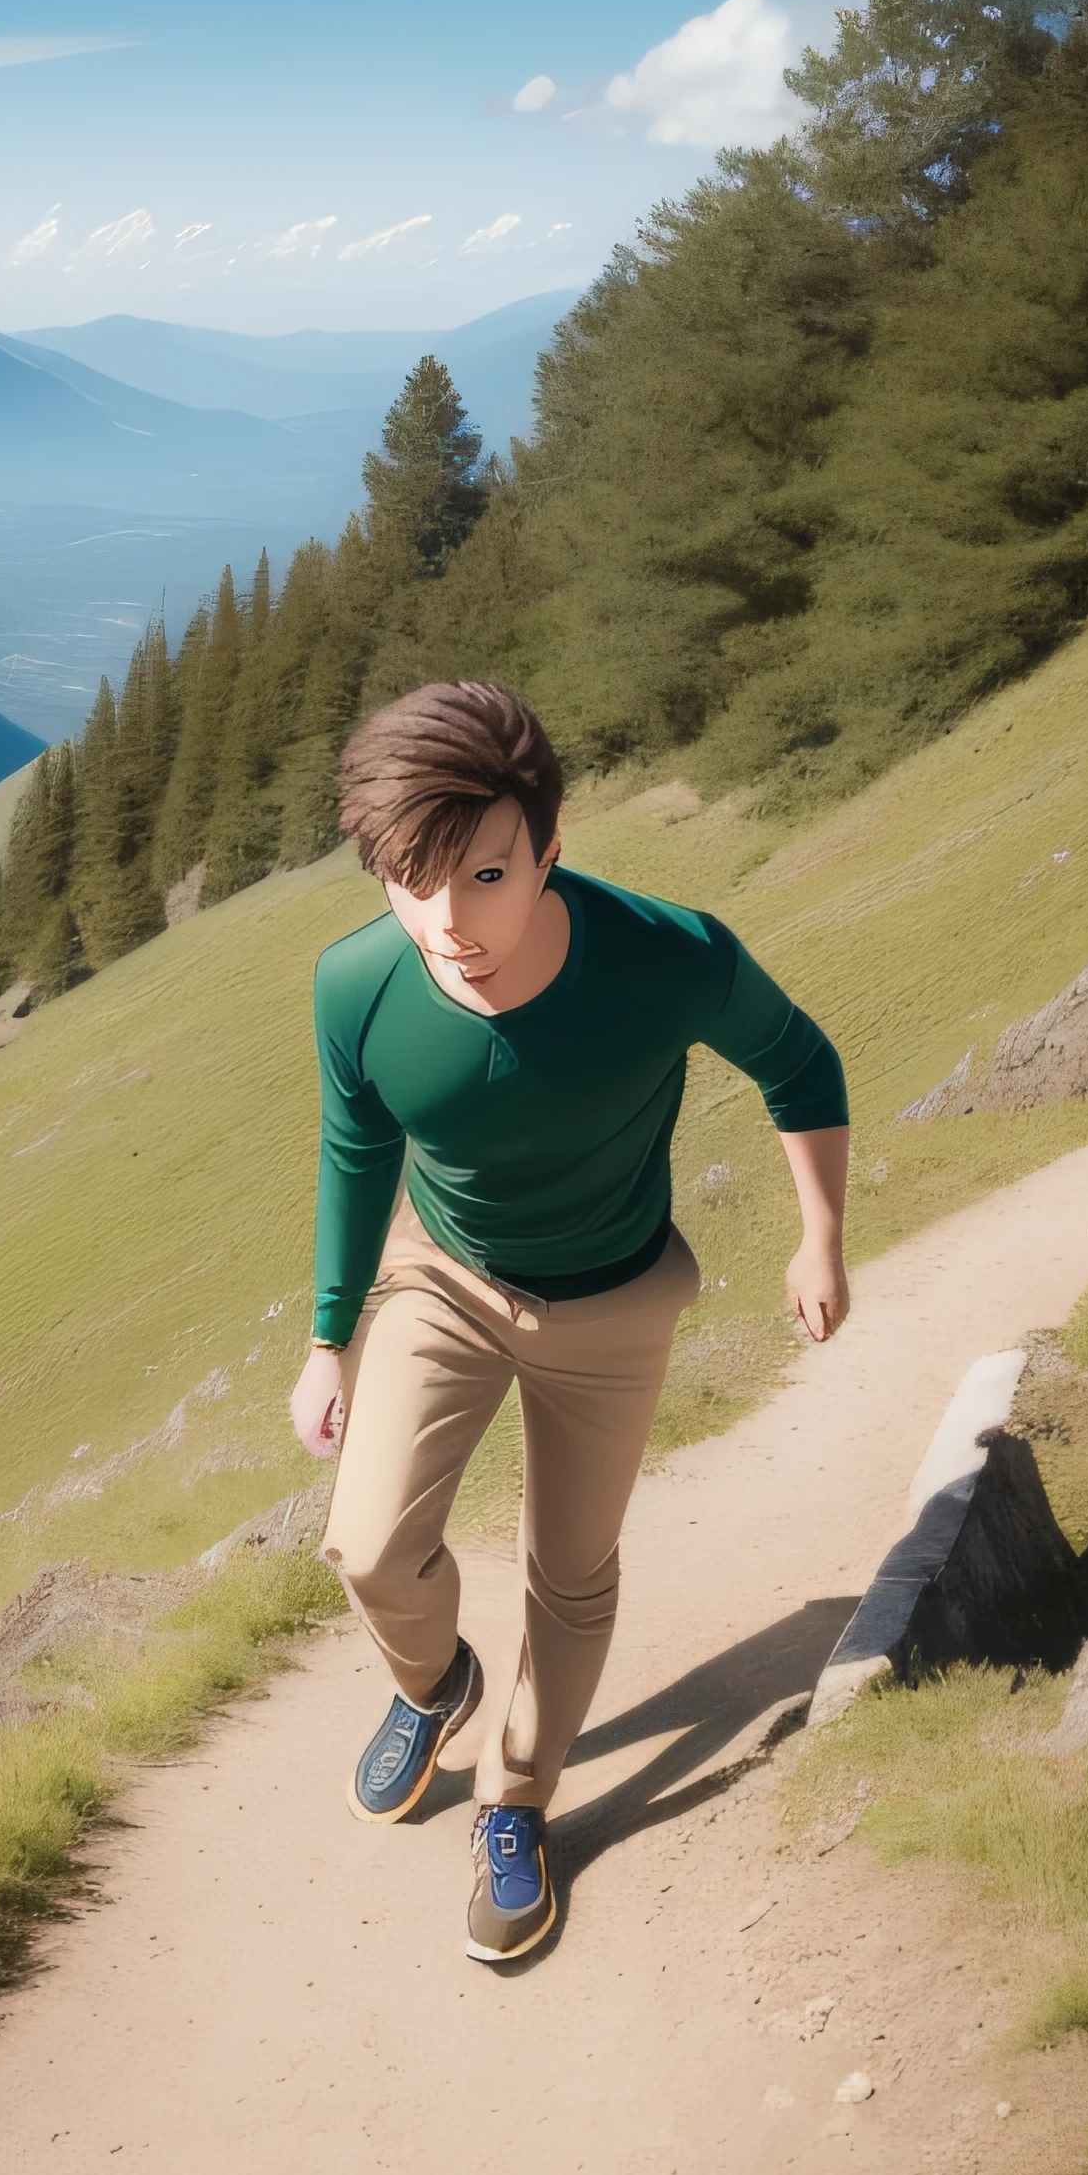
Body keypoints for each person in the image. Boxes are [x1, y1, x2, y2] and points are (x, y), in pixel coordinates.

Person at [286, 682, 851, 1963]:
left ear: (551, 840)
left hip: (610, 1304)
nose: (449, 922)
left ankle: (518, 1802)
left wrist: (817, 1235)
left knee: (569, 1569)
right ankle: (437, 1686)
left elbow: (798, 1062)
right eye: (409, 880)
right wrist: (329, 1337)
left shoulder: (668, 954)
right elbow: (355, 1142)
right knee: (366, 1548)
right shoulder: (357, 986)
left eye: (484, 873)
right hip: (444, 1279)